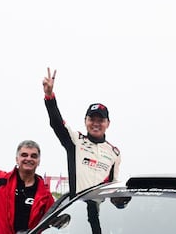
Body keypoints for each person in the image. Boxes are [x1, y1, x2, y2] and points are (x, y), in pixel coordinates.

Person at [42, 68, 121, 197]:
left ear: (108, 123)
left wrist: (120, 202)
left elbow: (113, 186)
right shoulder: (76, 140)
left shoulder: (114, 153)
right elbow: (57, 124)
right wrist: (50, 97)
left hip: (102, 211)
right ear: (85, 121)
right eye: (92, 119)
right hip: (78, 209)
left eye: (100, 120)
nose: (96, 124)